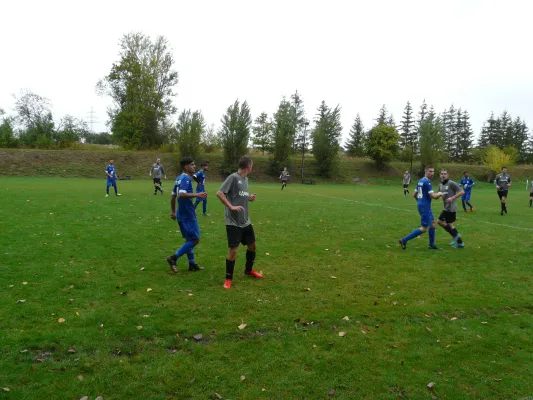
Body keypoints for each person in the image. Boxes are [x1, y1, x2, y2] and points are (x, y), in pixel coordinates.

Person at [216, 156, 263, 290]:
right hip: (233, 221)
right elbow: (219, 193)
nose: (252, 167)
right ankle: (228, 279)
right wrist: (230, 206)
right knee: (233, 250)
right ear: (249, 166)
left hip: (245, 220)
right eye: (252, 165)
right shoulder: (233, 177)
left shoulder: (245, 179)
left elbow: (239, 195)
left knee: (252, 246)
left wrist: (249, 197)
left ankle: (248, 270)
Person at [166, 157, 207, 273]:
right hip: (188, 214)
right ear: (186, 167)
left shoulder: (178, 178)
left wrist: (173, 212)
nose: (194, 166)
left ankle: (192, 264)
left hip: (181, 213)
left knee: (189, 239)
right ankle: (173, 258)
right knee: (195, 239)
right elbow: (182, 194)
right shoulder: (186, 179)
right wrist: (197, 194)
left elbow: (173, 196)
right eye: (192, 165)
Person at [398, 165, 443, 250]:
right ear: (425, 171)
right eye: (430, 171)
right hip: (425, 207)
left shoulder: (420, 181)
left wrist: (420, 202)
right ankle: (404, 240)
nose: (432, 173)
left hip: (423, 205)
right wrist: (440, 193)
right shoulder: (427, 182)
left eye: (433, 171)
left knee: (433, 223)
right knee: (424, 228)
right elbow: (434, 196)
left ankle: (431, 245)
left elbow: (414, 195)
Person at [437, 169, 465, 248]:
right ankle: (460, 243)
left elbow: (462, 191)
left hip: (451, 207)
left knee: (439, 221)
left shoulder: (451, 183)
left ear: (447, 175)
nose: (443, 175)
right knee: (450, 224)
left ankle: (455, 236)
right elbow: (439, 194)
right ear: (440, 175)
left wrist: (452, 198)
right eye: (442, 174)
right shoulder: (440, 185)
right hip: (446, 207)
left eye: (445, 174)